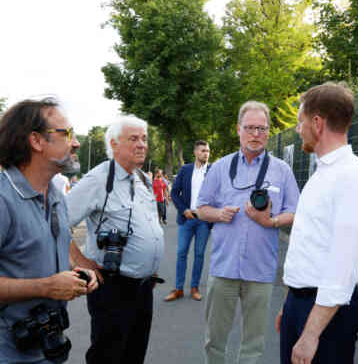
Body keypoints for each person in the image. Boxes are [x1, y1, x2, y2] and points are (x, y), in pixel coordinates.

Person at [276, 83, 358, 364]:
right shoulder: (322, 173)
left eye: (301, 122)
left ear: (317, 123)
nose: (299, 129)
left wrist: (310, 334)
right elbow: (308, 246)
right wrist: (289, 305)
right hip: (300, 304)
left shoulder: (353, 177)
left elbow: (342, 267)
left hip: (326, 317)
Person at [197, 102, 300, 364]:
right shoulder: (220, 167)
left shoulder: (282, 170)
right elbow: (201, 208)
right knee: (214, 340)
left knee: (253, 344)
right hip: (224, 268)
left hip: (260, 270)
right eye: (250, 128)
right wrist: (218, 214)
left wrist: (271, 221)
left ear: (268, 132)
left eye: (262, 129)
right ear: (238, 130)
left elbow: (296, 212)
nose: (256, 134)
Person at [0, 98, 98, 363]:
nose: (76, 142)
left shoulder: (54, 193)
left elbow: (47, 248)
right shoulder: (3, 197)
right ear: (36, 141)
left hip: (49, 343)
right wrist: (46, 287)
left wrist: (79, 273)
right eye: (66, 133)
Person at [66, 115, 165, 364]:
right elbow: (53, 224)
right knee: (108, 355)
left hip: (143, 287)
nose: (142, 144)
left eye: (144, 138)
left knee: (134, 353)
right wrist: (81, 261)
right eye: (133, 139)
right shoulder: (99, 179)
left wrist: (149, 266)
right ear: (114, 144)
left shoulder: (142, 178)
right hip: (112, 287)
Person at [164, 140, 211, 302]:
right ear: (196, 152)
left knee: (199, 255)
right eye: (203, 151)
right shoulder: (185, 170)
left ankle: (194, 288)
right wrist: (184, 210)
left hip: (204, 220)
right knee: (181, 252)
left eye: (208, 151)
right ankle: (178, 289)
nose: (206, 153)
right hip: (186, 218)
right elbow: (175, 193)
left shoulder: (213, 171)